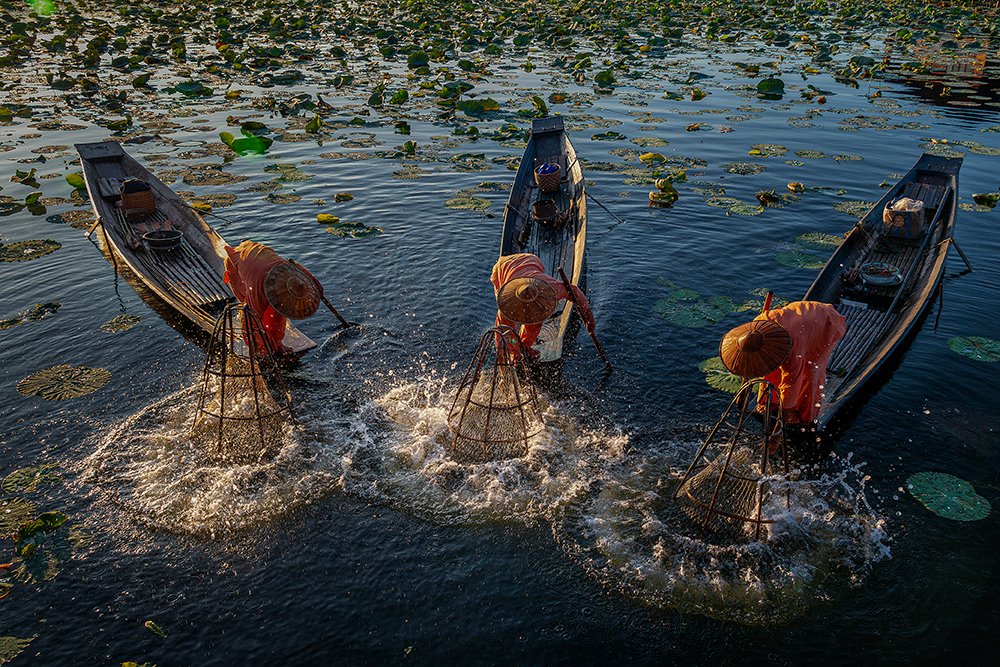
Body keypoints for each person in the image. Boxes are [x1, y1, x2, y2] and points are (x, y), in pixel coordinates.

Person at [753, 301, 846, 424]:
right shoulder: (757, 326)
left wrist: (782, 419)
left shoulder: (791, 347)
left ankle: (804, 415)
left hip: (825, 325)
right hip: (799, 321)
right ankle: (770, 401)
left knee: (810, 372)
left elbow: (791, 382)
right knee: (772, 368)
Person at [490, 253, 595, 360]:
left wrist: (589, 319)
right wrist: (509, 352)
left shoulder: (551, 288)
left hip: (530, 260)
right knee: (508, 325)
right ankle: (515, 351)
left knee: (536, 318)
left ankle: (525, 346)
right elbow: (503, 332)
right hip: (502, 268)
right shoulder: (506, 304)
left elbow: (575, 291)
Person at [223, 240, 321, 354]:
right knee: (252, 315)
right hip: (244, 267)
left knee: (278, 307)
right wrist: (270, 348)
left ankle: (275, 343)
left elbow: (296, 268)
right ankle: (262, 349)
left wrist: (315, 283)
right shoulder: (258, 286)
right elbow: (253, 319)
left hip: (258, 255)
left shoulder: (287, 271)